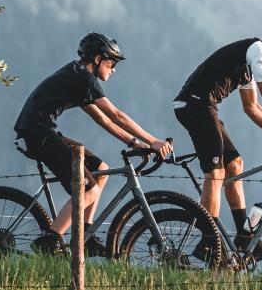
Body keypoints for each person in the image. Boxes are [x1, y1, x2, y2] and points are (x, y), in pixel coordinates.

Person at [173, 14, 262, 261]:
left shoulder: (249, 60)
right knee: (215, 174)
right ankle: (208, 243)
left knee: (234, 165)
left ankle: (244, 236)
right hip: (195, 106)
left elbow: (252, 107)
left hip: (203, 107)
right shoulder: (258, 51)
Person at [14, 33, 172, 254]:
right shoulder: (84, 78)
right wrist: (153, 141)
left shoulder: (78, 75)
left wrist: (134, 143)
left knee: (101, 170)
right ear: (98, 59)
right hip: (38, 135)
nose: (114, 69)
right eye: (112, 63)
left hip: (41, 131)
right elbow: (116, 115)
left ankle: (85, 236)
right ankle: (51, 240)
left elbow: (103, 119)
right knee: (88, 190)